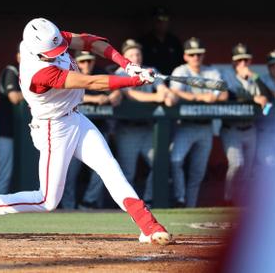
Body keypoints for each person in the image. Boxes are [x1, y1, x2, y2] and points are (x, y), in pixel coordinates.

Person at [0, 17, 171, 245]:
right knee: (47, 200)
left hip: (76, 118)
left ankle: (148, 225)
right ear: (36, 51)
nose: (60, 51)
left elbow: (90, 42)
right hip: (53, 128)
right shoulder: (38, 73)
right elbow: (91, 83)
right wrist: (133, 81)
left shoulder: (49, 39)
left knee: (110, 168)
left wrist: (127, 64)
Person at [169, 37, 228, 208]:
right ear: (186, 56)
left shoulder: (211, 72)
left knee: (198, 171)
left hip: (205, 127)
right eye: (192, 54)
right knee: (175, 160)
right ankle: (179, 198)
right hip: (185, 125)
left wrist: (214, 96)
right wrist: (200, 97)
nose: (196, 57)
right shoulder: (181, 71)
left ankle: (190, 206)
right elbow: (176, 92)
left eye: (199, 54)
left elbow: (224, 94)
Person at [115, 39, 175, 206]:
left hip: (148, 129)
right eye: (131, 54)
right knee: (128, 172)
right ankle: (129, 206)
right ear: (124, 57)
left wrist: (167, 95)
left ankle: (147, 200)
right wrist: (157, 98)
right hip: (127, 129)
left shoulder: (151, 70)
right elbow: (131, 96)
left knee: (159, 164)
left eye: (138, 53)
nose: (136, 57)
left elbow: (163, 89)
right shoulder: (120, 73)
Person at [61, 51, 121, 209]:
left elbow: (116, 89)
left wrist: (115, 95)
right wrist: (95, 99)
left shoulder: (100, 72)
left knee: (104, 168)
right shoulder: (69, 71)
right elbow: (67, 95)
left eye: (89, 61)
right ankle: (68, 207)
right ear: (77, 62)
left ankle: (89, 202)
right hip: (72, 130)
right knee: (69, 172)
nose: (86, 64)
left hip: (98, 130)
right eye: (83, 61)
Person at [220, 43, 273, 206]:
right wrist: (253, 99)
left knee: (247, 170)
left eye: (246, 60)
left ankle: (240, 203)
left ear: (250, 61)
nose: (242, 63)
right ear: (234, 62)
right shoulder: (226, 76)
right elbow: (228, 96)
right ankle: (228, 198)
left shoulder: (254, 78)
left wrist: (255, 77)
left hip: (250, 128)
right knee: (236, 164)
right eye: (239, 60)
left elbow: (267, 95)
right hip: (232, 127)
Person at [0, 53, 23, 194]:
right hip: (6, 131)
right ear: (18, 56)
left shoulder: (29, 74)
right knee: (5, 174)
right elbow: (14, 98)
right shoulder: (11, 71)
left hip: (24, 135)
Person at [137, 6, 184, 76]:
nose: (161, 23)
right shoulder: (144, 41)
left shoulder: (174, 41)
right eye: (158, 19)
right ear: (152, 21)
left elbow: (181, 62)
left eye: (165, 19)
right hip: (151, 79)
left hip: (173, 80)